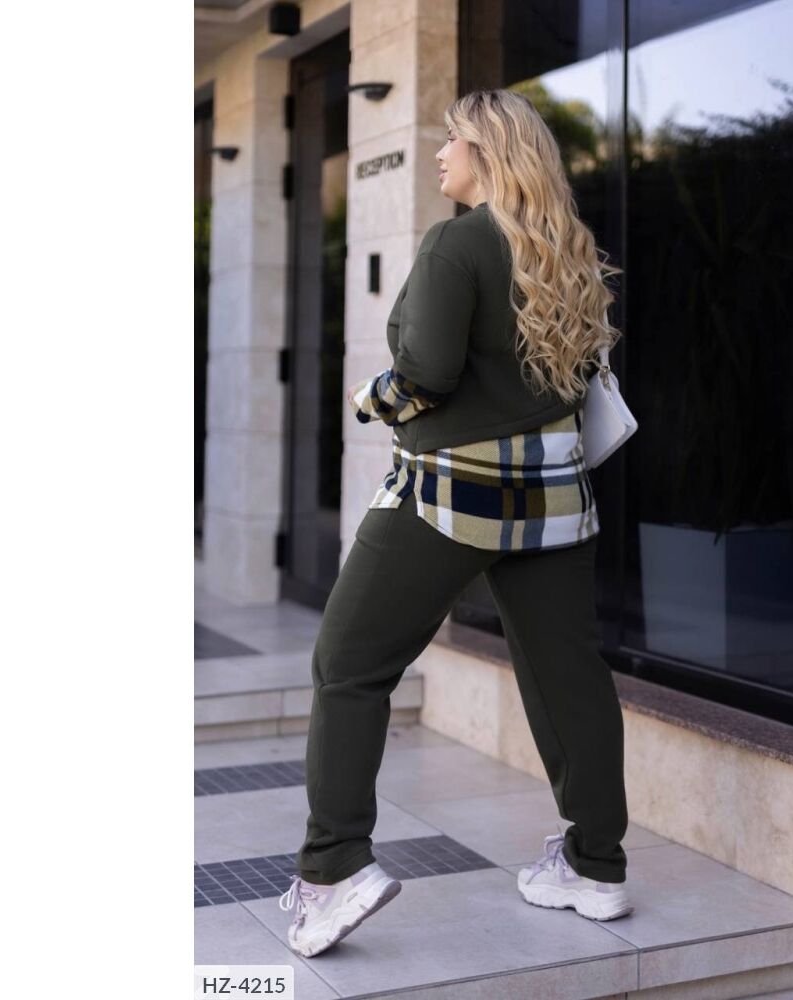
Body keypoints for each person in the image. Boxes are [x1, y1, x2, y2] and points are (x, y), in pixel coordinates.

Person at [278, 89, 631, 959]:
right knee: (568, 680)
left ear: (489, 153)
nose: (440, 154)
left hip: (449, 495)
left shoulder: (456, 243)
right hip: (555, 499)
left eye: (454, 140)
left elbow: (426, 374)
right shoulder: (565, 248)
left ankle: (334, 870)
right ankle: (595, 866)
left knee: (348, 666)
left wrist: (369, 398)